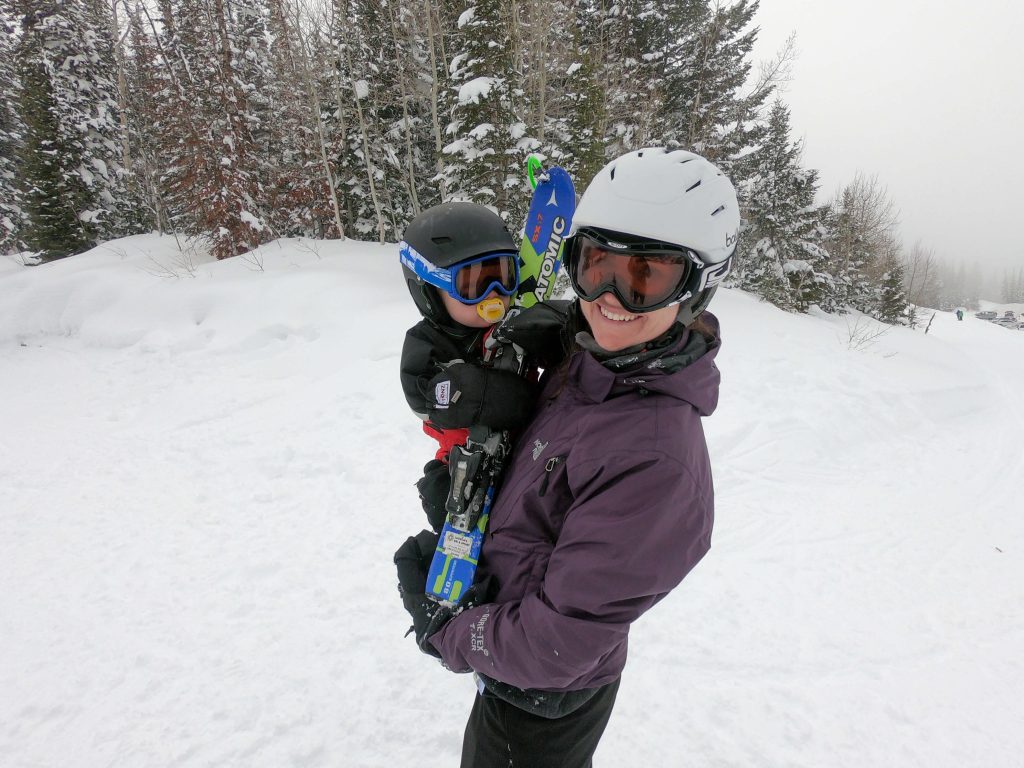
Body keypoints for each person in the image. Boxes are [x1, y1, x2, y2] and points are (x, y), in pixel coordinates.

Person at [395, 147, 738, 767]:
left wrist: (451, 632)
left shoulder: (657, 462)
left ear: (697, 286)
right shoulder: (593, 359)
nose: (610, 298)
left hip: (541, 697)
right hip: (505, 648)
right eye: (596, 265)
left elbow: (560, 643)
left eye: (644, 279)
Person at [398, 202, 542, 534]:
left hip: (525, 452)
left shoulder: (514, 323)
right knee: (443, 496)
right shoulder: (426, 343)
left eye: (504, 277)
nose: (494, 295)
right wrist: (478, 391)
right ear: (429, 290)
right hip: (461, 460)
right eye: (473, 283)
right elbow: (424, 401)